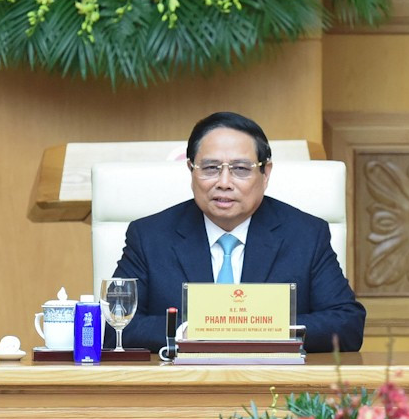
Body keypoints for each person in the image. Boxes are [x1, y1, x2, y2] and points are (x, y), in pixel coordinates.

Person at [110, 111, 365, 354]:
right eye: (210, 168)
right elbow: (115, 328)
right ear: (191, 170)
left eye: (240, 169)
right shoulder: (149, 237)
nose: (223, 182)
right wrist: (200, 329)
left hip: (271, 386)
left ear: (265, 173)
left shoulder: (306, 235)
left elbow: (347, 324)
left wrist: (257, 328)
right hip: (181, 386)